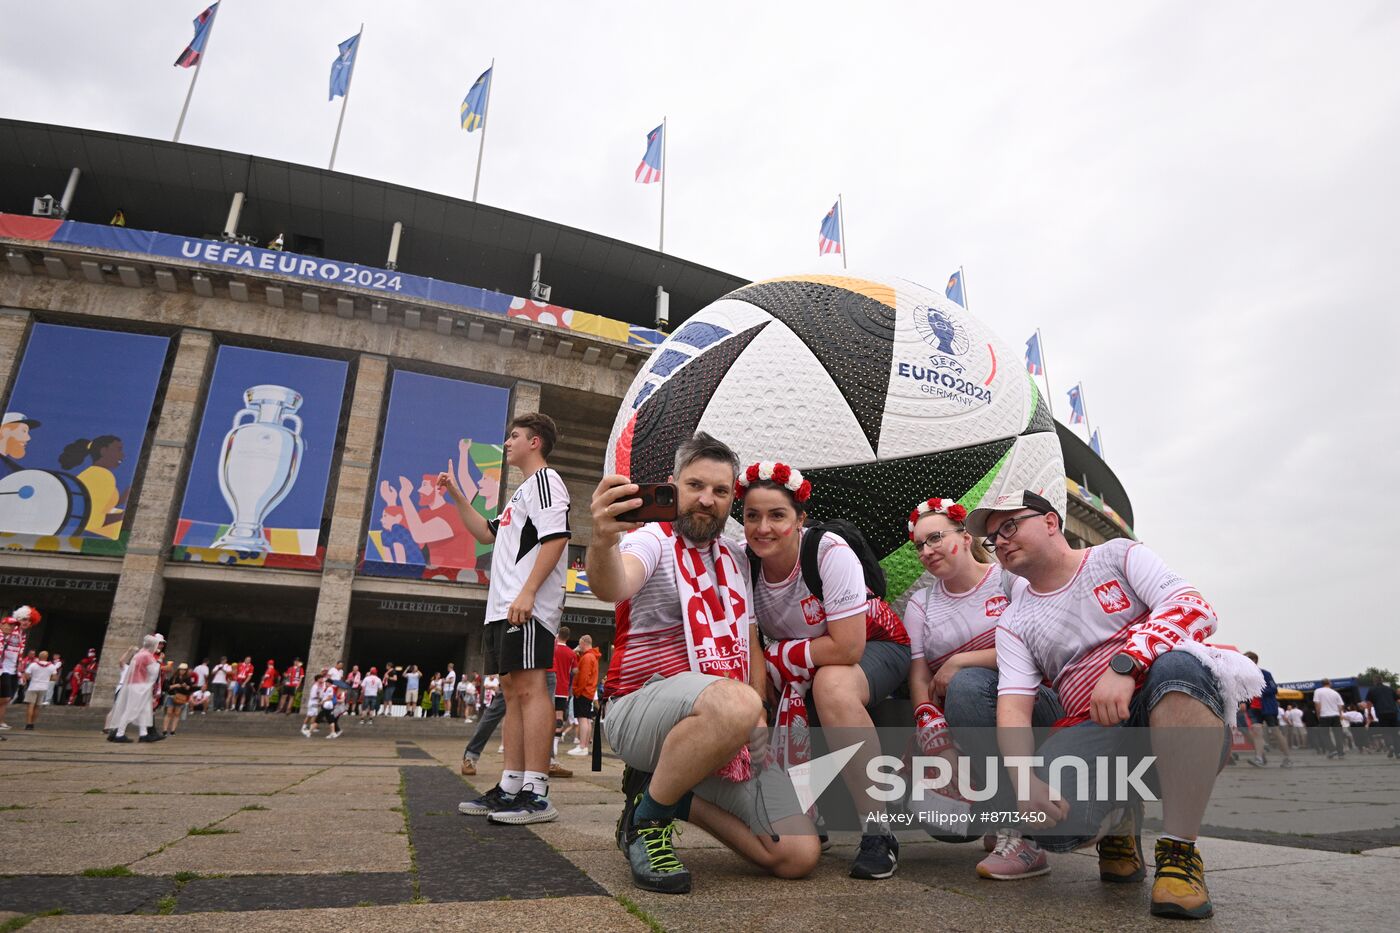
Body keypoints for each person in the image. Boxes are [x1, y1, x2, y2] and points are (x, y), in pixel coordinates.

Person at [947, 490, 1260, 920]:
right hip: (1091, 724)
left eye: (1010, 526)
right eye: (991, 538)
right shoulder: (1014, 620)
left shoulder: (1118, 556)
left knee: (1181, 663)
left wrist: (1127, 665)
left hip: (1161, 702)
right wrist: (1024, 784)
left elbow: (1193, 608)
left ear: (1052, 522)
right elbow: (1014, 708)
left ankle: (1179, 853)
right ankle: (1120, 817)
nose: (999, 541)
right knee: (1054, 824)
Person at [587, 431, 819, 894]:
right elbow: (615, 584)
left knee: (798, 853)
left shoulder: (735, 558)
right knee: (733, 702)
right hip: (641, 708)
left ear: (732, 498)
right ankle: (647, 823)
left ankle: (665, 794)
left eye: (720, 491)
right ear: (673, 486)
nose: (706, 500)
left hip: (721, 724)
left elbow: (750, 645)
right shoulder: (650, 539)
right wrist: (601, 542)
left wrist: (755, 720)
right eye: (695, 486)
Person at [739, 461, 911, 880]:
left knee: (832, 685)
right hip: (805, 658)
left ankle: (878, 831)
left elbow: (847, 646)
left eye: (777, 515)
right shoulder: (745, 563)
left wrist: (781, 658)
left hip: (876, 646)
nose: (764, 527)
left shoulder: (828, 551)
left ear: (800, 519)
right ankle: (806, 814)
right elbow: (751, 642)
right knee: (761, 693)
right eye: (752, 516)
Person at [448, 413, 573, 825]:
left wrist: (529, 591)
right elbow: (486, 534)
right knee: (511, 688)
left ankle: (536, 792)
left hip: (526, 605)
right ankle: (510, 785)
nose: (507, 442)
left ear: (534, 442)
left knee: (531, 689)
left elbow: (557, 539)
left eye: (514, 436)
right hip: (501, 606)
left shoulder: (545, 481)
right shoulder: (519, 494)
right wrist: (456, 494)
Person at [901, 497, 1009, 868]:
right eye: (919, 545)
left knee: (965, 685)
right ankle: (994, 806)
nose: (927, 551)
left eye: (935, 538)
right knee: (946, 826)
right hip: (960, 720)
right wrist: (935, 737)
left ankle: (1014, 820)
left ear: (965, 537)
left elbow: (1034, 650)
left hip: (1024, 706)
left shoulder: (1007, 579)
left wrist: (960, 661)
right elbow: (919, 674)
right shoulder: (921, 603)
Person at [58, 435, 128, 539]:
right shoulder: (101, 476)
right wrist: (125, 516)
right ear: (104, 451)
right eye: (119, 450)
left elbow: (103, 505)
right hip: (92, 537)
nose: (122, 455)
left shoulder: (94, 474)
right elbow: (92, 520)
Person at [106, 635, 165, 743]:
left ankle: (144, 734)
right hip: (140, 686)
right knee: (131, 709)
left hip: (132, 684)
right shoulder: (147, 656)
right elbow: (154, 672)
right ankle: (119, 734)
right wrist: (159, 661)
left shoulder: (138, 654)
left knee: (143, 710)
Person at [1242, 652, 1292, 768]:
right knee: (1257, 732)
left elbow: (1274, 689)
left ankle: (1287, 757)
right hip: (1254, 709)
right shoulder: (1245, 677)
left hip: (1268, 707)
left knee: (1275, 732)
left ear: (1254, 660)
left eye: (1246, 659)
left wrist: (1258, 691)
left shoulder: (1265, 674)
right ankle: (1259, 758)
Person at [0, 609, 39, 732]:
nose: (27, 623)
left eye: (29, 621)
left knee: (8, 698)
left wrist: (21, 670)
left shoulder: (23, 634)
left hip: (13, 670)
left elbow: (19, 654)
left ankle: (0, 721)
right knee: (5, 698)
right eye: (24, 619)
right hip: (3, 668)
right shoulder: (11, 631)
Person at [567, 635, 602, 756]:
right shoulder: (592, 656)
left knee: (582, 719)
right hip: (589, 692)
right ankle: (584, 745)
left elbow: (583, 677)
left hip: (583, 692)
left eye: (579, 644)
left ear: (583, 643)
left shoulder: (587, 657)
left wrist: (576, 691)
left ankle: (582, 746)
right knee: (586, 720)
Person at [552, 627, 578, 763]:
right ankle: (555, 745)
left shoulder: (552, 649)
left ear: (557, 636)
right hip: (563, 688)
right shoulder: (571, 653)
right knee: (559, 716)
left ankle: (545, 745)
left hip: (549, 687)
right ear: (567, 638)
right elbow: (575, 671)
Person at [21, 650, 58, 730]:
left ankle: (28, 724)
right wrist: (47, 679)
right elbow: (55, 678)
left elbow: (26, 675)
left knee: (30, 705)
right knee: (37, 706)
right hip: (44, 687)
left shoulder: (33, 665)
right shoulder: (51, 666)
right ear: (47, 657)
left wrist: (32, 678)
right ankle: (33, 724)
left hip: (33, 686)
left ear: (39, 656)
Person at [1313, 679, 1346, 759]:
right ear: (1329, 683)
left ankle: (1332, 749)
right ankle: (1340, 752)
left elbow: (1317, 704)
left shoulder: (1318, 691)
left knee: (1324, 734)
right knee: (1338, 734)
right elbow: (1340, 705)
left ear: (1322, 684)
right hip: (1335, 715)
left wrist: (1318, 715)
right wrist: (1340, 714)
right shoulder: (1335, 693)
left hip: (1324, 716)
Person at [1366, 682, 1399, 758]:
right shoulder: (1390, 689)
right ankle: (1398, 753)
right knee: (1395, 733)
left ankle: (1390, 745)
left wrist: (1369, 713)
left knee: (1386, 731)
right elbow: (1397, 700)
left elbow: (1369, 703)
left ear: (1374, 681)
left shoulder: (1372, 690)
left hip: (1382, 713)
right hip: (1393, 713)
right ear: (1382, 681)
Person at [162, 663, 195, 736]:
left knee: (177, 714)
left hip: (181, 697)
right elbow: (167, 687)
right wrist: (175, 685)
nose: (182, 671)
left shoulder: (188, 678)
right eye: (181, 669)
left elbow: (190, 689)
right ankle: (164, 730)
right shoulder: (174, 677)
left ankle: (172, 730)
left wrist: (185, 686)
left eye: (184, 670)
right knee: (169, 713)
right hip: (172, 696)